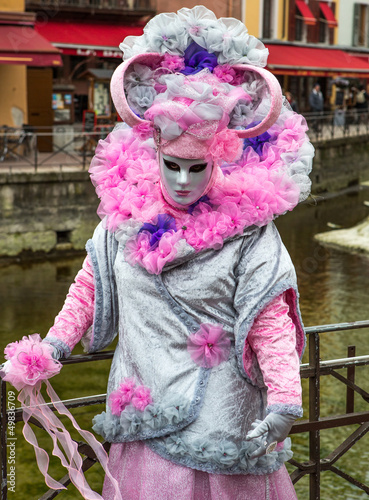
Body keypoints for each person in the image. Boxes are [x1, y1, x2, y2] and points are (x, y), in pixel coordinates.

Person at [1, 6, 314, 500]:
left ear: (216, 158)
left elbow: (269, 322)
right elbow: (89, 287)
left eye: (195, 167)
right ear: (155, 154)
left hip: (222, 419)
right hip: (145, 415)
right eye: (173, 166)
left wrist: (284, 401)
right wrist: (54, 348)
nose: (183, 181)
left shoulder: (250, 234)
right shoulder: (122, 220)